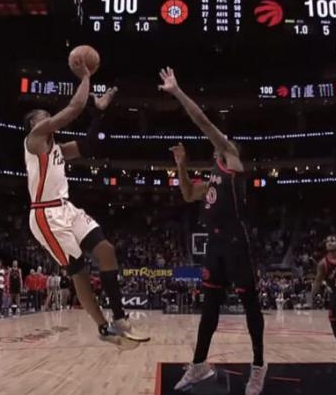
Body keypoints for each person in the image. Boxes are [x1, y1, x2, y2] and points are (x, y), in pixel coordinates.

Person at [23, 56, 147, 344]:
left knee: (105, 249)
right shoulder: (34, 140)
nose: (47, 118)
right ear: (33, 124)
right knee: (79, 271)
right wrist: (85, 76)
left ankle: (120, 319)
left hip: (66, 209)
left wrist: (100, 114)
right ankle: (104, 327)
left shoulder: (57, 148)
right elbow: (74, 108)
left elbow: (90, 144)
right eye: (43, 116)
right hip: (45, 217)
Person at [159, 68, 266, 395]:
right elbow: (189, 194)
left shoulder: (232, 159)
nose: (217, 139)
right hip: (215, 246)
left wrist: (177, 91)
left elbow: (202, 122)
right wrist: (181, 163)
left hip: (237, 242)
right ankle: (199, 365)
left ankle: (259, 367)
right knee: (209, 308)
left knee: (250, 306)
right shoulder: (212, 177)